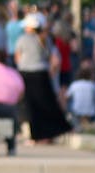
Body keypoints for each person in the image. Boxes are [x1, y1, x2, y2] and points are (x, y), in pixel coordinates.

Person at [14, 13, 71, 143]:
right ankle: (52, 132)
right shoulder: (45, 39)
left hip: (27, 73)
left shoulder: (23, 39)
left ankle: (36, 136)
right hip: (42, 73)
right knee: (47, 103)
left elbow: (17, 58)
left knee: (31, 106)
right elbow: (54, 59)